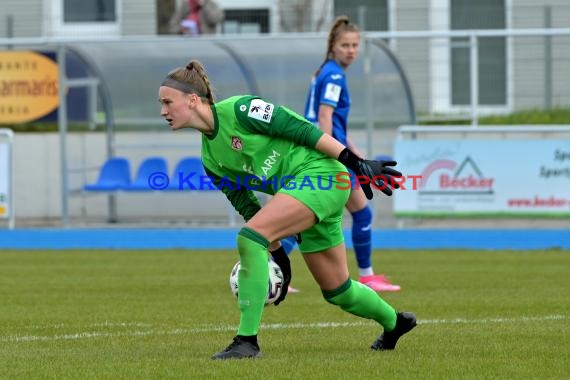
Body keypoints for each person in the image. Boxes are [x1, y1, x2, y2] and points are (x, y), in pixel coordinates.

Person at [158, 59, 417, 360]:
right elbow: (248, 207)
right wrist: (280, 256)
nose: (163, 111)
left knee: (248, 238)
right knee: (338, 291)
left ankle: (247, 341)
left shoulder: (241, 110)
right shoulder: (210, 160)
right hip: (302, 193)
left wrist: (355, 161)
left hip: (321, 175)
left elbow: (301, 130)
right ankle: (395, 323)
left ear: (192, 100)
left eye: (167, 102)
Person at [282, 16, 401, 292]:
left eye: (355, 45)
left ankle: (272, 270)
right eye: (345, 44)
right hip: (325, 153)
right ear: (333, 46)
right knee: (361, 213)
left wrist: (359, 158)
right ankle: (367, 276)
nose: (351, 50)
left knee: (307, 217)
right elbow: (325, 117)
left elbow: (335, 126)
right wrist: (336, 155)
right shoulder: (334, 74)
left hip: (316, 150)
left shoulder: (325, 71)